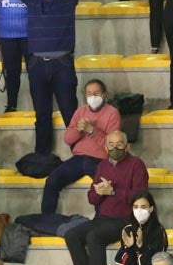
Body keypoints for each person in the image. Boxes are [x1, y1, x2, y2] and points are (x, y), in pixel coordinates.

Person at [0, 0, 95, 155]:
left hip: (63, 64)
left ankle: (82, 154)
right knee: (42, 114)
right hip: (37, 65)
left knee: (70, 113)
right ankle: (42, 157)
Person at [65, 131, 149, 265]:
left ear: (127, 146)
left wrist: (113, 192)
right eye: (111, 145)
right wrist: (99, 192)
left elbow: (141, 197)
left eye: (119, 144)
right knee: (72, 235)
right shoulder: (103, 165)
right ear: (105, 147)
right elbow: (91, 198)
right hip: (102, 218)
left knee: (95, 236)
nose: (115, 148)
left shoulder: (136, 164)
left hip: (126, 220)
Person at [41, 80, 121, 215]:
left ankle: (100, 224)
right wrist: (78, 130)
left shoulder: (112, 113)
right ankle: (46, 221)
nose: (92, 97)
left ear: (104, 94)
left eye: (96, 93)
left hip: (100, 160)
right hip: (78, 159)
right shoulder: (80, 111)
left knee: (101, 189)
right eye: (89, 94)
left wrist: (92, 131)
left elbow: (113, 146)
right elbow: (67, 139)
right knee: (51, 181)